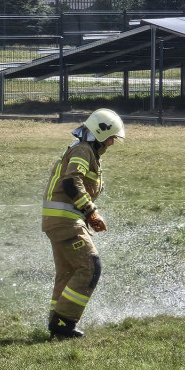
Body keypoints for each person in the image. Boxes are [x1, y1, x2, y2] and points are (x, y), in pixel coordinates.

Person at [42, 108, 125, 339]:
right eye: (111, 138)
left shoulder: (84, 150)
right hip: (65, 221)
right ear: (100, 134)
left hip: (59, 221)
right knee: (90, 267)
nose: (112, 143)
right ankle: (64, 322)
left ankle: (57, 322)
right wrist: (91, 212)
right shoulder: (82, 149)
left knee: (68, 272)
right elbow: (71, 182)